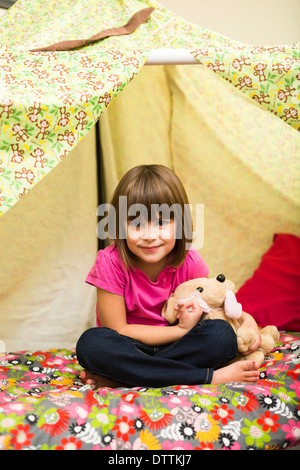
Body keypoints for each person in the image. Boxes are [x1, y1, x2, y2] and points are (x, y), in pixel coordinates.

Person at [76, 164, 261, 389]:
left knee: (221, 335)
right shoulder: (110, 262)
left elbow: (215, 306)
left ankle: (124, 377)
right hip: (131, 347)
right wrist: (179, 330)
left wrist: (247, 321)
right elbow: (119, 329)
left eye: (162, 223)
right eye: (136, 224)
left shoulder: (191, 263)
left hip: (179, 347)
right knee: (92, 344)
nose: (150, 235)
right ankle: (207, 377)